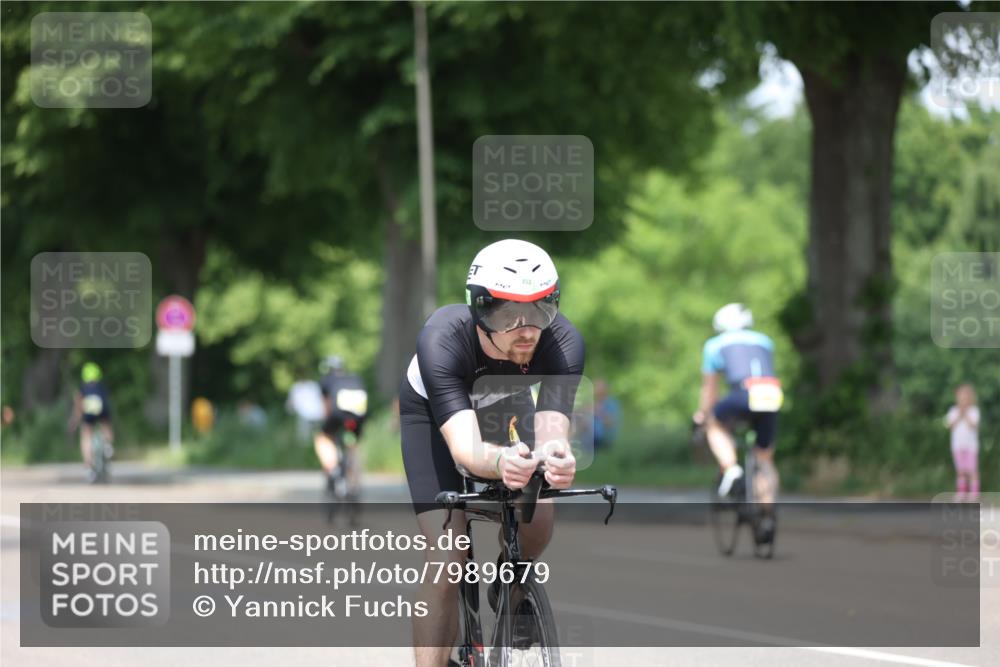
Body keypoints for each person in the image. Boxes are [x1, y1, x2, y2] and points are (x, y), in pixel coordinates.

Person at [399, 239, 583, 667]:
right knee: (448, 559)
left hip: (504, 403)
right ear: (479, 308)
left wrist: (557, 458)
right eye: (506, 313)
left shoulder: (564, 341)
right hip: (435, 414)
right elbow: (464, 450)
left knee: (538, 518)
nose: (525, 329)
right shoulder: (442, 339)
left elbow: (553, 432)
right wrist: (501, 461)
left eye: (540, 310)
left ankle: (510, 579)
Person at [693, 303, 782, 519]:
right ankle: (767, 515)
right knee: (764, 457)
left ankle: (731, 467)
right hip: (771, 393)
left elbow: (710, 389)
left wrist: (703, 414)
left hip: (742, 392)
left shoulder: (714, 345)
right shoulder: (765, 341)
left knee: (714, 423)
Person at [315, 355, 368, 496]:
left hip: (338, 414)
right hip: (359, 415)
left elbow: (326, 407)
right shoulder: (355, 377)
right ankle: (355, 478)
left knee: (322, 438)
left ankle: (332, 469)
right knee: (354, 444)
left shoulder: (326, 380)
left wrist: (326, 423)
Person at [68, 362, 114, 476]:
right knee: (105, 424)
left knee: (86, 434)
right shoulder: (101, 386)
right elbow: (107, 401)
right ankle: (108, 446)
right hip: (102, 407)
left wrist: (74, 421)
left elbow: (78, 406)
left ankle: (88, 464)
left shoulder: (83, 388)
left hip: (88, 409)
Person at [945, 383, 980, 502]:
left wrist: (965, 414)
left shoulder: (974, 411)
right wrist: (959, 414)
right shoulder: (953, 411)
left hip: (970, 446)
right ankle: (961, 493)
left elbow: (973, 425)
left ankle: (974, 493)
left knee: (972, 470)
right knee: (960, 471)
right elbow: (950, 426)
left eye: (965, 397)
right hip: (957, 446)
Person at [592, 378, 621, 450]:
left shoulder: (612, 403)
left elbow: (611, 423)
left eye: (598, 387)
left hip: (605, 439)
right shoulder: (593, 403)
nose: (596, 389)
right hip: (591, 438)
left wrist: (599, 412)